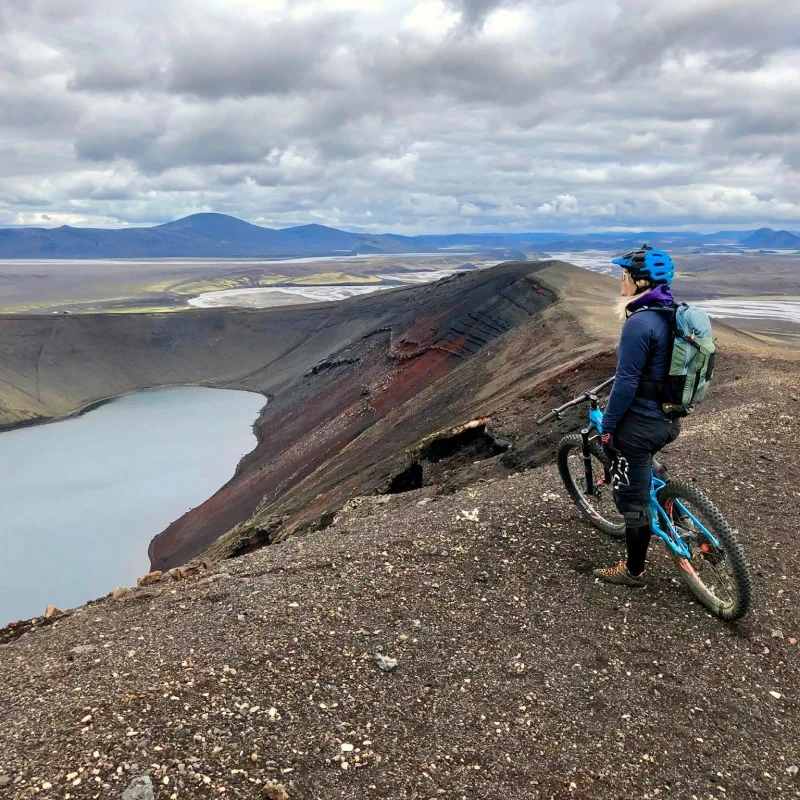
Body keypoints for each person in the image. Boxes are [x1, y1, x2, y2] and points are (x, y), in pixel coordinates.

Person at [593, 245, 681, 588]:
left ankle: (633, 571)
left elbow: (627, 382)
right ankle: (672, 506)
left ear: (641, 281)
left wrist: (609, 428)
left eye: (625, 275)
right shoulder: (670, 314)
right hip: (668, 420)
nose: (621, 279)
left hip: (640, 427)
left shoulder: (638, 323)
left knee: (632, 500)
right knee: (644, 465)